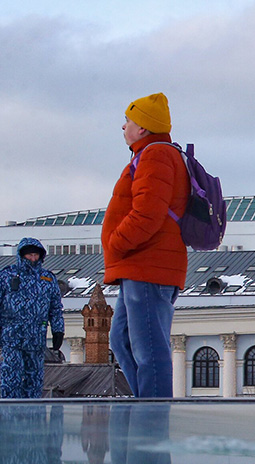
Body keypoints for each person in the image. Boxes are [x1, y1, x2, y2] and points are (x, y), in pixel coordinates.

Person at [102, 92, 189, 398]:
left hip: (148, 266)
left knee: (149, 349)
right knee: (122, 340)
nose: (123, 126)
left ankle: (151, 423)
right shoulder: (150, 154)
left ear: (143, 128)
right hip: (140, 266)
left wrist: (115, 243)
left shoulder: (155, 155)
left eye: (128, 120)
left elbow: (148, 213)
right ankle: (145, 408)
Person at [0, 237, 65, 398]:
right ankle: (10, 415)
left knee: (34, 380)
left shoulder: (47, 279)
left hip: (36, 338)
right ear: (22, 255)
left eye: (36, 255)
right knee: (11, 377)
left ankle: (33, 417)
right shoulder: (6, 275)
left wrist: (58, 330)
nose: (33, 259)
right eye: (30, 255)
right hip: (12, 336)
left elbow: (55, 308)